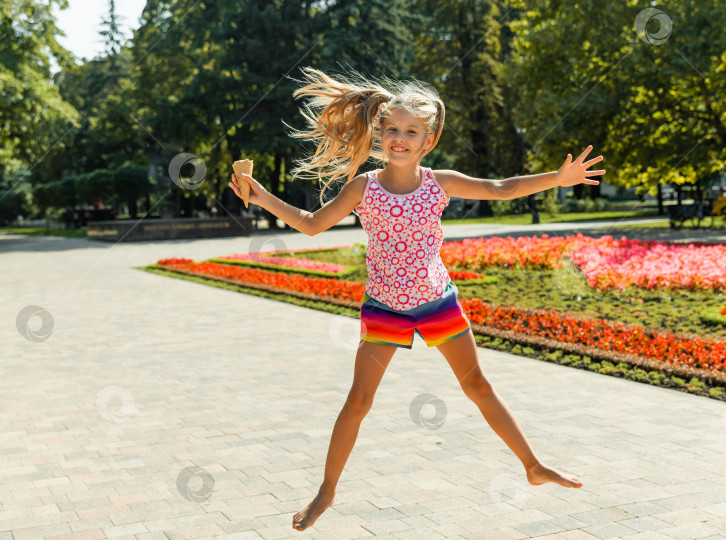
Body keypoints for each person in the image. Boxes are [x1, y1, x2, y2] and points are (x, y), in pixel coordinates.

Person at [228, 66, 606, 532]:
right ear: (380, 133)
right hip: (385, 309)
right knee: (358, 401)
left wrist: (558, 177)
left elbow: (500, 188)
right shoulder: (363, 188)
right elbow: (310, 223)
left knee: (479, 387)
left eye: (411, 131)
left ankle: (532, 465)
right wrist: (263, 196)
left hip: (437, 303)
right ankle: (326, 492)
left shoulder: (439, 182)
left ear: (429, 140)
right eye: (391, 130)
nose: (399, 138)